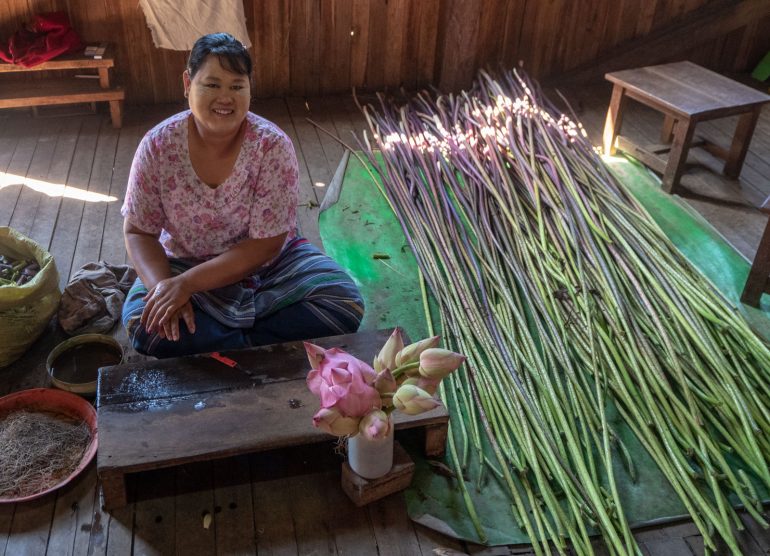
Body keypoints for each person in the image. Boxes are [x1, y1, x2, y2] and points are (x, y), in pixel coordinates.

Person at [121, 33, 364, 358]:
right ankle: (259, 346)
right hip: (183, 262)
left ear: (250, 89)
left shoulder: (272, 147)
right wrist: (165, 287)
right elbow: (139, 231)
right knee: (143, 322)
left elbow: (266, 244)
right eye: (211, 85)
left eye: (237, 86)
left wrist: (188, 286)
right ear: (187, 83)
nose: (225, 97)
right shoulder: (158, 146)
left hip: (269, 266)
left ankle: (227, 347)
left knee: (342, 300)